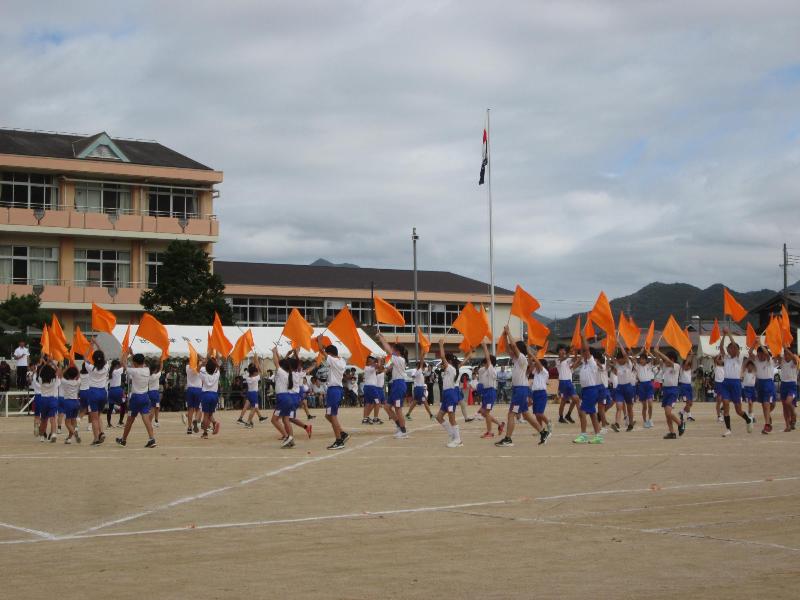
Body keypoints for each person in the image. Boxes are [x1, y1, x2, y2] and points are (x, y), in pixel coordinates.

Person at [495, 326, 549, 447]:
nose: (512, 350)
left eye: (514, 349)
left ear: (519, 350)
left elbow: (513, 346)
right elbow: (508, 348)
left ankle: (508, 439)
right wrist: (504, 336)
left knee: (511, 414)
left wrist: (509, 332)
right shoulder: (516, 359)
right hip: (519, 390)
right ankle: (543, 432)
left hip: (520, 390)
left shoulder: (522, 358)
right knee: (526, 415)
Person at [115, 353, 157, 448]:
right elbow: (139, 363)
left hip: (136, 398)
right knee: (146, 419)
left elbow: (122, 362)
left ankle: (123, 440)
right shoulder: (147, 370)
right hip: (145, 397)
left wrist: (126, 353)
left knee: (130, 420)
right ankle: (152, 439)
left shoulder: (134, 371)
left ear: (134, 362)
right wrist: (132, 354)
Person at [718, 330, 754, 437]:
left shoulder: (739, 357)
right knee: (725, 403)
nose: (730, 349)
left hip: (736, 384)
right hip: (726, 383)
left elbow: (735, 346)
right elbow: (721, 348)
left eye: (732, 348)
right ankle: (728, 429)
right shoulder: (726, 358)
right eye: (729, 348)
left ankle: (748, 419)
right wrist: (724, 335)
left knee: (738, 410)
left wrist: (729, 334)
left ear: (736, 350)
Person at [571, 330, 604, 444]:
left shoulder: (591, 363)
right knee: (593, 414)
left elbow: (586, 349)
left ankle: (583, 435)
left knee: (582, 412)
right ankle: (598, 436)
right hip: (586, 390)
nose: (583, 354)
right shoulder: (584, 364)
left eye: (584, 353)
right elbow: (582, 351)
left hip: (591, 390)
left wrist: (583, 337)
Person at [317, 336, 349, 450]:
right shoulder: (341, 360)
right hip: (338, 389)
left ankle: (339, 440)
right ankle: (342, 433)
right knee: (328, 415)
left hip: (333, 389)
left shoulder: (332, 360)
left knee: (332, 415)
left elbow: (321, 351)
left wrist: (319, 341)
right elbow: (327, 352)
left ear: (330, 354)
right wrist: (326, 348)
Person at [376, 332, 409, 439]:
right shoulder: (396, 360)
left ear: (397, 351)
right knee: (387, 407)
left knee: (398, 409)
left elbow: (388, 349)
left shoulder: (400, 359)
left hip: (399, 384)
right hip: (395, 384)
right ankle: (399, 426)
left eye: (394, 350)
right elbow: (386, 369)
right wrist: (381, 367)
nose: (392, 351)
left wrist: (381, 338)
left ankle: (403, 431)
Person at [652, 341, 686, 439]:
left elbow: (667, 360)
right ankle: (672, 432)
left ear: (672, 359)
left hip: (673, 391)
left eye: (666, 358)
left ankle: (680, 423)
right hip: (666, 390)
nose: (664, 361)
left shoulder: (676, 366)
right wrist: (656, 352)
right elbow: (659, 360)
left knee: (668, 412)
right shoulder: (665, 366)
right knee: (667, 414)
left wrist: (659, 352)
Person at [435, 339, 463, 448]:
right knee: (439, 417)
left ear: (449, 361)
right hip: (446, 395)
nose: (443, 363)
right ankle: (452, 434)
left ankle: (458, 440)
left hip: (451, 394)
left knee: (452, 418)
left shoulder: (451, 368)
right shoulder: (447, 370)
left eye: (444, 361)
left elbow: (442, 356)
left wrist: (441, 345)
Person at [476, 341, 504, 438]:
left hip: (490, 392)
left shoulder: (492, 369)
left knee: (486, 413)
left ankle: (489, 432)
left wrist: (484, 347)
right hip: (485, 393)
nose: (484, 363)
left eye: (486, 362)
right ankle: (500, 424)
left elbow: (488, 359)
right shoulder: (483, 370)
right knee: (484, 413)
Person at [85, 349, 110, 446]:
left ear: (93, 359)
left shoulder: (90, 368)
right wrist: (98, 345)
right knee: (98, 416)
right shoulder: (106, 367)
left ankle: (96, 439)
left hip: (93, 392)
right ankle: (101, 432)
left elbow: (85, 357)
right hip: (103, 393)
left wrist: (91, 346)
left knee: (94, 418)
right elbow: (105, 357)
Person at [751, 344, 776, 434]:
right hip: (760, 384)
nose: (761, 356)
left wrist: (761, 344)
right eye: (759, 354)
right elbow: (750, 352)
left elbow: (767, 354)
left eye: (762, 354)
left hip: (769, 384)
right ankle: (767, 425)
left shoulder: (769, 360)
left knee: (772, 404)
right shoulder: (756, 360)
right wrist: (755, 342)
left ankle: (768, 416)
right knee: (765, 404)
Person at [199, 357, 221, 438]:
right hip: (215, 395)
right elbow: (218, 367)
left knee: (205, 415)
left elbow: (198, 369)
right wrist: (215, 363)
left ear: (206, 368)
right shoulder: (217, 374)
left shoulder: (204, 374)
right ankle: (214, 423)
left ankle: (205, 433)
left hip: (206, 394)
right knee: (210, 414)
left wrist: (203, 363)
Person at [529, 352, 551, 435]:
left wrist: (533, 356)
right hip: (535, 393)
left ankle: (548, 422)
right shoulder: (536, 372)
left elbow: (537, 363)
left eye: (537, 364)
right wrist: (529, 356)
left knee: (539, 413)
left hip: (541, 393)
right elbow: (531, 365)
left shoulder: (544, 371)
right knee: (536, 414)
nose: (535, 365)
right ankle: (541, 430)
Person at [37, 359, 58, 442]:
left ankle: (42, 436)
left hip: (43, 400)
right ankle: (53, 434)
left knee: (44, 420)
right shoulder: (54, 380)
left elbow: (39, 372)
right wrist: (53, 363)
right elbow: (58, 371)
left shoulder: (40, 380)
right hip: (52, 399)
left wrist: (45, 364)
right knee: (52, 419)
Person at [556, 346, 578, 424]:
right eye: (561, 350)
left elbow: (574, 359)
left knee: (576, 400)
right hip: (563, 382)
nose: (563, 351)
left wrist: (576, 352)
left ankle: (568, 414)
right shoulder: (558, 360)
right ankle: (561, 417)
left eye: (563, 350)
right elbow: (564, 359)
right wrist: (569, 353)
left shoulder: (567, 360)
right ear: (558, 352)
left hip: (569, 382)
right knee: (563, 401)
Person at [778, 346, 799, 432]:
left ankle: (793, 414)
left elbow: (794, 357)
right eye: (785, 354)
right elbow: (777, 355)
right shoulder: (782, 361)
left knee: (788, 402)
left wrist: (785, 348)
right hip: (783, 385)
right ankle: (787, 425)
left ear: (791, 354)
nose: (786, 356)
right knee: (784, 407)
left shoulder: (794, 361)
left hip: (792, 385)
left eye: (788, 354)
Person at [635, 349, 655, 429]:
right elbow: (633, 358)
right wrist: (640, 352)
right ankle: (645, 421)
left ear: (646, 360)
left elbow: (653, 358)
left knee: (650, 404)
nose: (641, 360)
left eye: (643, 359)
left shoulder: (649, 365)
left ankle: (650, 419)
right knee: (644, 406)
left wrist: (647, 351)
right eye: (640, 359)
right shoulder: (637, 366)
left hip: (649, 385)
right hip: (641, 386)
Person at [60, 365, 81, 444]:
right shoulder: (77, 382)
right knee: (73, 420)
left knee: (67, 422)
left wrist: (67, 368)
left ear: (68, 375)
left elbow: (60, 374)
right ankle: (69, 438)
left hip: (68, 402)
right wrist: (75, 366)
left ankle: (74, 433)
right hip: (76, 402)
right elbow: (78, 375)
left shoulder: (65, 382)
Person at [184, 359, 203, 435]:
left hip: (190, 389)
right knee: (199, 408)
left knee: (190, 409)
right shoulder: (200, 368)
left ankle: (189, 428)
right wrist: (202, 363)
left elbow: (195, 368)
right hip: (198, 389)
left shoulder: (187, 367)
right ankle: (196, 420)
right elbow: (197, 369)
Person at [678, 352, 696, 423]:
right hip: (683, 386)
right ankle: (689, 416)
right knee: (688, 402)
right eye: (688, 365)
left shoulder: (689, 369)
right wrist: (690, 356)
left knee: (690, 403)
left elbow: (691, 364)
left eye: (689, 365)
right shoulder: (682, 369)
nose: (688, 367)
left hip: (689, 386)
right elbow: (686, 364)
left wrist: (692, 357)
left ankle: (681, 412)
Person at [107, 359, 124, 429]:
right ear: (117, 365)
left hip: (111, 390)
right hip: (118, 390)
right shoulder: (117, 371)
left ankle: (109, 424)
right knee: (123, 406)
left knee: (110, 408)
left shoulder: (110, 372)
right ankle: (120, 422)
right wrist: (124, 356)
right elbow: (124, 365)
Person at [148, 360, 162, 428]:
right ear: (155, 369)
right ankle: (149, 422)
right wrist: (161, 361)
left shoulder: (149, 375)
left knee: (157, 406)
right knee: (153, 408)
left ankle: (156, 421)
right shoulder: (154, 376)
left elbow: (159, 370)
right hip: (154, 393)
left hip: (151, 392)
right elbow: (161, 369)